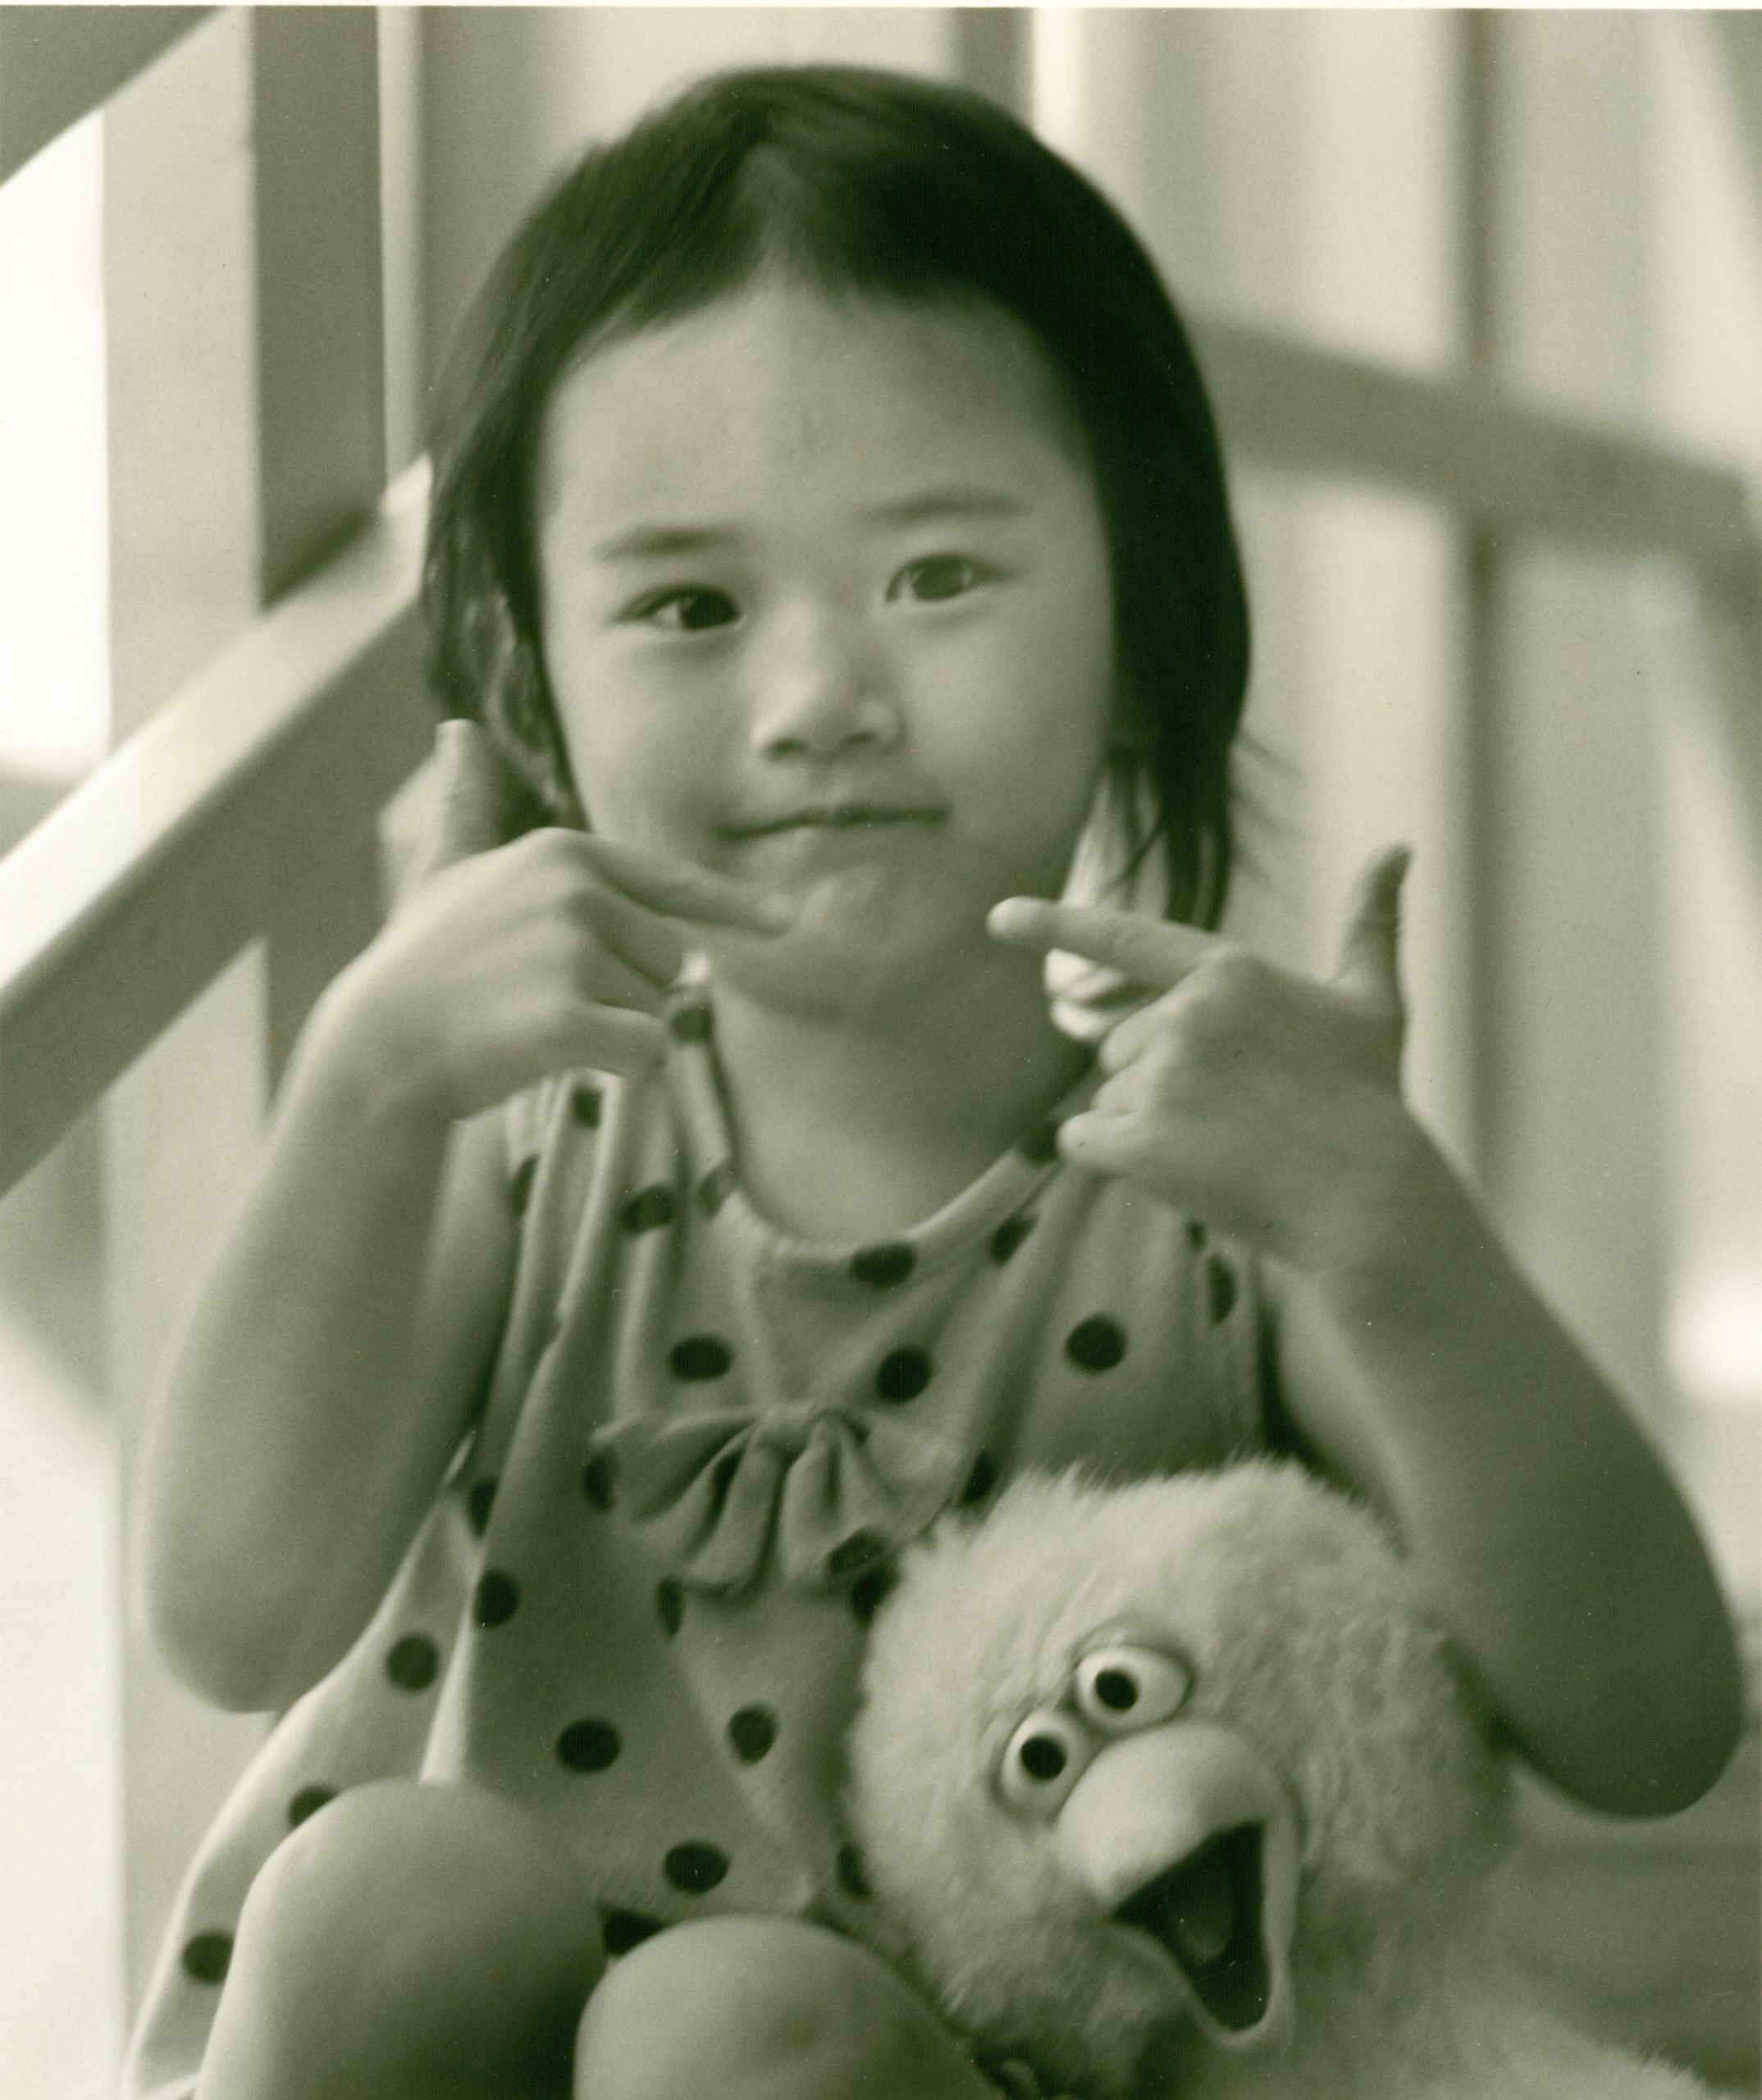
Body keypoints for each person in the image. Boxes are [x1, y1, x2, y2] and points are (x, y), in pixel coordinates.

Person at [124, 63, 1741, 2100]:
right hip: (484, 2036)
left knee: (727, 2023)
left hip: (962, 2067)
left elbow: (1652, 1719)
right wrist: (363, 1084)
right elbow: (232, 1621)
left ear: (1141, 626)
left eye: (939, 578)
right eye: (690, 606)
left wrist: (1388, 1224)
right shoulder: (525, 1124)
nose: (820, 700)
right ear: (530, 680)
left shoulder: (1219, 1159)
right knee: (381, 1886)